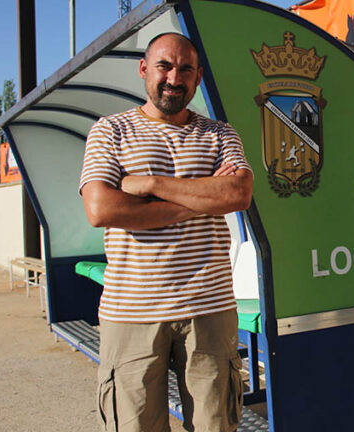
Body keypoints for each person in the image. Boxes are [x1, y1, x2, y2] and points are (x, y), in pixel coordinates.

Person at [79, 32, 253, 432]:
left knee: (216, 425)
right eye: (165, 66)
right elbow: (101, 208)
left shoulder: (220, 134)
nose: (175, 78)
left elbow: (237, 192)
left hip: (208, 309)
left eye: (186, 70)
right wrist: (198, 199)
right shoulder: (110, 131)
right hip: (132, 315)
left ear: (198, 77)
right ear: (144, 70)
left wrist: (151, 184)